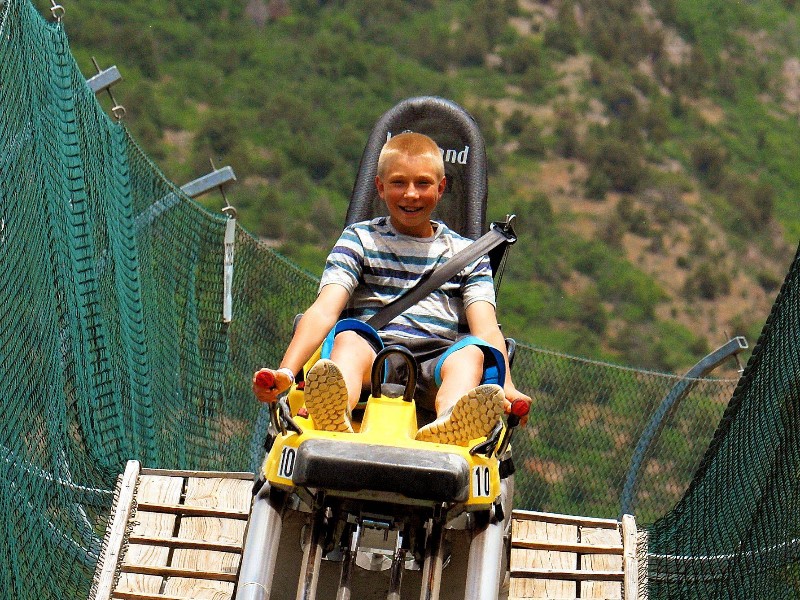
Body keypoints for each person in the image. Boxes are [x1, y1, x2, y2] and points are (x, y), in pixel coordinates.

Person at [253, 132, 530, 445]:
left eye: (422, 183)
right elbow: (324, 309)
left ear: (441, 188)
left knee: (470, 354)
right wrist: (287, 373)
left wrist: (507, 386)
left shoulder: (469, 255)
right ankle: (334, 413)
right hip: (373, 350)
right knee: (348, 339)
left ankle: (452, 421)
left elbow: (487, 329)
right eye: (399, 183)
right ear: (380, 188)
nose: (410, 194)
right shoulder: (358, 240)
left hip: (436, 355)